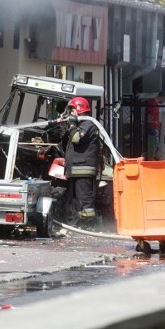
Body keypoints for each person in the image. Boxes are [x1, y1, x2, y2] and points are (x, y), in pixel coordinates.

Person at [60, 96, 102, 229]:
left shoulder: (88, 124)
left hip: (83, 168)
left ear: (78, 109)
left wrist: (72, 125)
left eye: (72, 110)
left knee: (85, 200)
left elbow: (77, 139)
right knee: (78, 200)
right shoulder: (80, 125)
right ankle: (81, 223)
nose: (70, 113)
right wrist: (66, 125)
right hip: (77, 168)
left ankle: (88, 225)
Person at [145, 90, 165, 160]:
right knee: (153, 144)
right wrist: (150, 123)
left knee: (155, 144)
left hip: (154, 126)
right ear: (162, 97)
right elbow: (151, 115)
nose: (164, 101)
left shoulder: (154, 103)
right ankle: (151, 158)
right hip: (152, 127)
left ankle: (152, 157)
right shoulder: (153, 103)